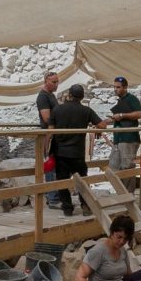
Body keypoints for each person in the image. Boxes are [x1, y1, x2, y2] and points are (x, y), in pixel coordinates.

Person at [49, 84, 111, 216]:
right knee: (83, 181)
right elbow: (101, 125)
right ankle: (86, 207)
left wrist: (46, 150)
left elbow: (50, 131)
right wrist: (97, 129)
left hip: (61, 152)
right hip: (77, 153)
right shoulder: (86, 111)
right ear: (82, 97)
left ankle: (67, 209)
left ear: (69, 95)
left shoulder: (57, 109)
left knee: (62, 181)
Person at [107, 76, 141, 193]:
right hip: (118, 139)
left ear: (125, 87)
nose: (115, 89)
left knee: (127, 168)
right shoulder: (121, 101)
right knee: (113, 167)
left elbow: (139, 114)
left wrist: (122, 115)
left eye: (118, 87)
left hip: (129, 139)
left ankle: (129, 198)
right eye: (114, 87)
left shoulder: (131, 98)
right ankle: (122, 194)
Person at [36, 71, 61, 208]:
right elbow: (46, 118)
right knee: (50, 166)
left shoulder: (50, 95)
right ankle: (52, 198)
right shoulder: (43, 97)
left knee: (55, 165)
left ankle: (54, 195)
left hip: (54, 134)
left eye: (57, 81)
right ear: (46, 81)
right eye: (53, 82)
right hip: (49, 135)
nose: (56, 84)